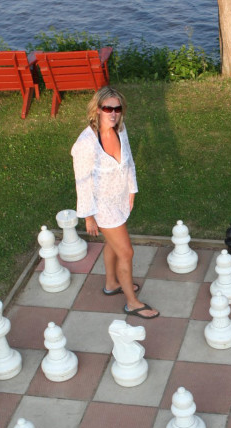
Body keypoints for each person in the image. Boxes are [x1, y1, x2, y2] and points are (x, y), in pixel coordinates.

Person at [72, 86, 159, 319]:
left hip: (120, 200)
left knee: (112, 244)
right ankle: (132, 303)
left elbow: (128, 161)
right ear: (97, 110)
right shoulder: (85, 144)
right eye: (107, 108)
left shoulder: (120, 130)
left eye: (117, 109)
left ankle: (111, 283)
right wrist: (88, 216)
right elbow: (82, 181)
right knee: (126, 252)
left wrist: (132, 189)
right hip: (103, 207)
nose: (113, 113)